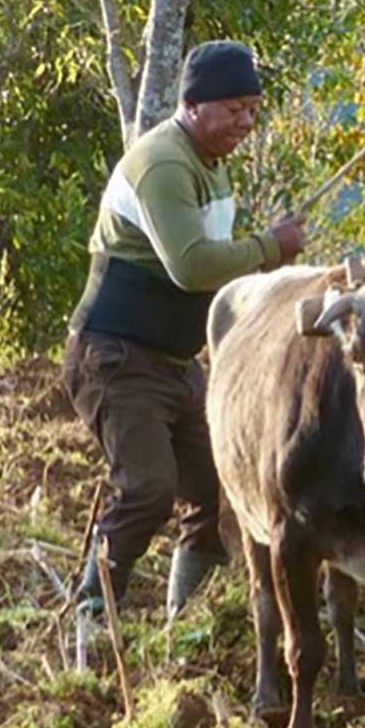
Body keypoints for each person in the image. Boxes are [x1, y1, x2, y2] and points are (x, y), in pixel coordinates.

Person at [63, 40, 306, 621]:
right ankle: (90, 615)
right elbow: (193, 266)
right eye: (234, 109)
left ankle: (187, 620)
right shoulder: (165, 164)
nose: (246, 123)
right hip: (116, 358)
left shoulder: (210, 165)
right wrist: (269, 248)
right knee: (147, 489)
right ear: (193, 105)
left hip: (177, 364)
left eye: (253, 110)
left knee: (218, 487)